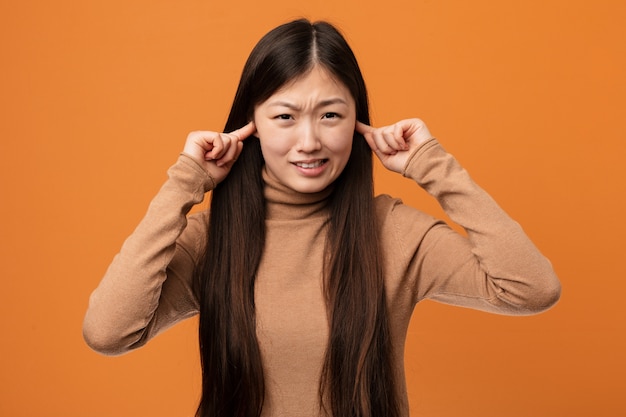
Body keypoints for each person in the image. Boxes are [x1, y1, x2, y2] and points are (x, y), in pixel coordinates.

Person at [83, 18, 561, 417]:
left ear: (357, 122)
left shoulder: (393, 233)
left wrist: (433, 165)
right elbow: (108, 333)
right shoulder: (212, 240)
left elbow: (530, 288)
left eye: (330, 116)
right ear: (250, 125)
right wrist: (184, 182)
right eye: (285, 117)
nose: (309, 141)